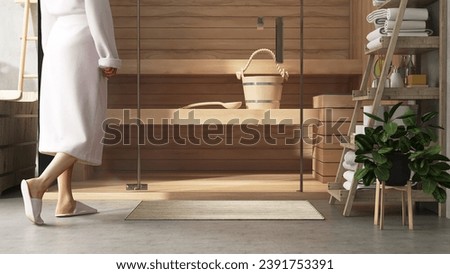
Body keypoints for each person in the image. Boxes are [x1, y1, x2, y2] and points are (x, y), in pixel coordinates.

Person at [21, 0, 121, 225]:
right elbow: (98, 13)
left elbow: (46, 19)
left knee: (67, 123)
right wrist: (108, 55)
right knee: (84, 125)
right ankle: (40, 183)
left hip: (57, 43)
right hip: (84, 43)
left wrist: (51, 52)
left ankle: (66, 200)